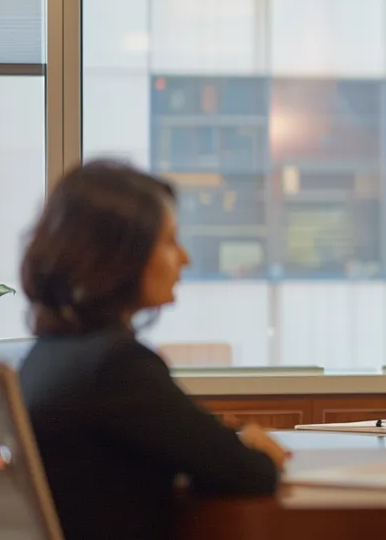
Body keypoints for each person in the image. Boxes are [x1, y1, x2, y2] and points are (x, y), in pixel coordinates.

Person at [17, 161, 285, 540]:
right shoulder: (116, 366)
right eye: (170, 242)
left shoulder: (48, 357)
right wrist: (249, 447)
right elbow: (251, 474)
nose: (185, 259)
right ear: (121, 255)